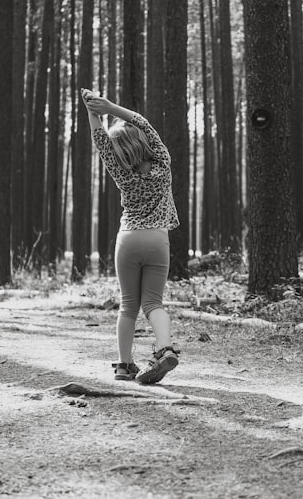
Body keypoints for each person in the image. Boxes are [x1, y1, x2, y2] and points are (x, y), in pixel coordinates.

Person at [81, 88, 180, 385]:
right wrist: (111, 106)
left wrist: (92, 111)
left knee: (128, 305)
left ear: (120, 151)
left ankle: (124, 365)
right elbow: (142, 122)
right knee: (153, 304)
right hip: (157, 240)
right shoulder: (163, 165)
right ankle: (165, 349)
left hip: (128, 239)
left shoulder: (121, 171)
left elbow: (100, 140)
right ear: (142, 141)